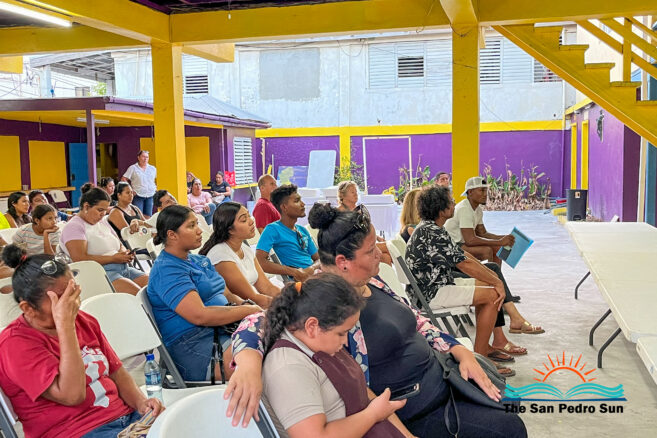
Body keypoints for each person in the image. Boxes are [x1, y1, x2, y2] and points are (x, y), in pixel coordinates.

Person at [226, 203, 527, 438]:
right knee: (509, 428)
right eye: (371, 251)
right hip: (407, 409)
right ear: (343, 262)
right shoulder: (318, 297)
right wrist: (249, 364)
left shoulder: (371, 281)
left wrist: (458, 350)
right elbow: (257, 323)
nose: (380, 254)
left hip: (443, 378)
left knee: (509, 411)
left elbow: (417, 320)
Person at [0, 245, 163, 438]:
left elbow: (116, 372)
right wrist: (66, 326)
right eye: (62, 297)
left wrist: (141, 403)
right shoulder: (15, 344)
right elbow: (72, 395)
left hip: (124, 419)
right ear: (28, 308)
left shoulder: (84, 321)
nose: (73, 302)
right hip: (75, 431)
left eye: (74, 291)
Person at [405, 186, 543, 363]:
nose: (454, 203)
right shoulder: (432, 232)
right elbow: (464, 264)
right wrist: (497, 282)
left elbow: (462, 255)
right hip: (431, 293)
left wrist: (492, 278)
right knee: (493, 295)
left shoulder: (432, 228)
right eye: (451, 201)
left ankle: (487, 348)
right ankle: (482, 357)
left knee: (490, 286)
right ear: (441, 210)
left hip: (433, 286)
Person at [262, 274, 407, 438]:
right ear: (312, 326)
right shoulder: (288, 367)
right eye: (341, 333)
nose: (345, 341)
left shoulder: (318, 343)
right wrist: (373, 414)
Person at [147, 205, 261, 382]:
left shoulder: (200, 261)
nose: (200, 231)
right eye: (191, 226)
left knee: (279, 337)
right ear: (172, 235)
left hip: (223, 328)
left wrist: (247, 308)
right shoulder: (167, 270)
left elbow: (229, 295)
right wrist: (250, 311)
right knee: (266, 356)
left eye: (197, 224)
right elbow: (200, 316)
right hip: (196, 344)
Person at [59, 185, 148, 295]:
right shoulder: (74, 226)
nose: (102, 214)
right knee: (139, 296)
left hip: (123, 268)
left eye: (105, 211)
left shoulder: (102, 222)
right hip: (99, 273)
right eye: (100, 210)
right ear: (86, 207)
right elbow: (80, 259)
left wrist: (124, 253)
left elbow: (119, 244)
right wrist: (113, 258)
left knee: (155, 287)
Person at [199, 202, 280, 309]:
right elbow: (253, 299)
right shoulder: (220, 255)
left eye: (249, 215)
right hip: (237, 310)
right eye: (244, 220)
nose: (251, 221)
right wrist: (288, 304)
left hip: (250, 307)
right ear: (230, 230)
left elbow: (267, 287)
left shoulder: (245, 249)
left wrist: (291, 296)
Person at [445, 176, 516, 266]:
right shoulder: (464, 209)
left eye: (486, 190)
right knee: (486, 251)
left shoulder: (478, 210)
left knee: (497, 249)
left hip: (461, 244)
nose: (485, 194)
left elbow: (482, 233)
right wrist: (500, 241)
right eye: (482, 190)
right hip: (451, 245)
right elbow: (470, 240)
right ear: (470, 192)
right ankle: (488, 275)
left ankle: (496, 274)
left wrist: (504, 238)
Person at [255, 184, 318, 281]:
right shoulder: (272, 229)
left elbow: (319, 259)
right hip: (298, 281)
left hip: (314, 275)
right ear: (284, 207)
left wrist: (311, 269)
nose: (303, 204)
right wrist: (294, 272)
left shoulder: (302, 230)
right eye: (297, 201)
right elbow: (260, 261)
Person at [122, 151, 156, 217]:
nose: (145, 159)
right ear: (138, 157)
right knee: (138, 215)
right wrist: (130, 190)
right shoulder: (133, 168)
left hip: (150, 195)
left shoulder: (152, 168)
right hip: (138, 195)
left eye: (147, 157)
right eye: (143, 157)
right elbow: (124, 179)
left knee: (148, 215)